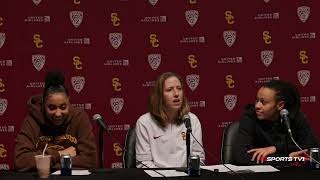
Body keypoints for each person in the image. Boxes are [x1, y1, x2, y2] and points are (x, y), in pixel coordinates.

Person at [14, 70, 97, 171]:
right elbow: (20, 161)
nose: (58, 114)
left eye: (63, 107)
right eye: (52, 108)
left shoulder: (79, 117)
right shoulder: (32, 120)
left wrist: (44, 164)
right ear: (44, 103)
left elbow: (90, 161)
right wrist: (60, 154)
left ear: (69, 101)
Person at [233, 80, 319, 165]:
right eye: (257, 100)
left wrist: (276, 149)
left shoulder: (294, 116)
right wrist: (287, 158)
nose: (257, 106)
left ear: (280, 105)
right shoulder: (250, 116)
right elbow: (241, 157)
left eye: (263, 102)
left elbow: (313, 149)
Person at [135, 72, 205, 168]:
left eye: (179, 89)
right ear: (160, 96)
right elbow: (144, 163)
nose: (176, 94)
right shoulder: (144, 122)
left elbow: (198, 158)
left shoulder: (192, 120)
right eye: (169, 90)